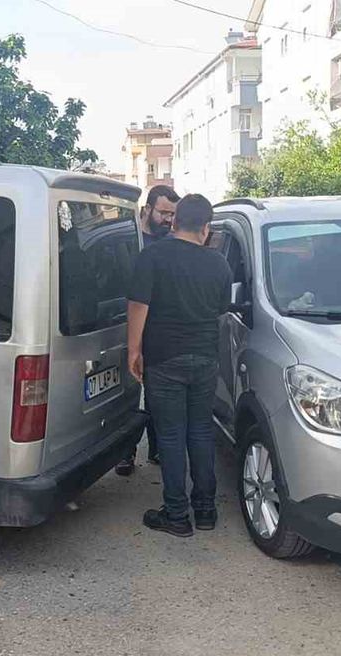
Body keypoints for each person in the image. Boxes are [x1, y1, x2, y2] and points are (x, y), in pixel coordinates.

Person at [127, 194, 231, 537]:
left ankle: (176, 515)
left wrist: (133, 351)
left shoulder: (152, 256)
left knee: (171, 436)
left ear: (174, 221)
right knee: (200, 431)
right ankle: (206, 510)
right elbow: (220, 312)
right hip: (205, 358)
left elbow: (138, 306)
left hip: (164, 358)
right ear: (206, 228)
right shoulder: (219, 263)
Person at [116, 185, 180, 477]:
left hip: (159, 329)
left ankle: (156, 449)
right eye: (164, 212)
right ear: (147, 209)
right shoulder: (128, 241)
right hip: (126, 324)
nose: (169, 219)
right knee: (125, 393)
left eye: (173, 214)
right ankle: (125, 452)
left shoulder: (172, 244)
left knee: (157, 395)